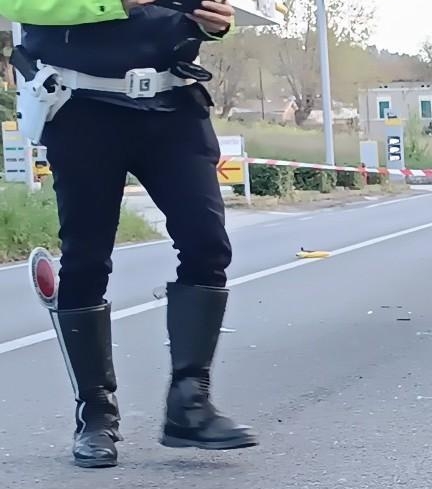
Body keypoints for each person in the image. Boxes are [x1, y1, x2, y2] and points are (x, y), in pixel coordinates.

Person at [0, 0, 257, 468]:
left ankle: (189, 403)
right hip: (81, 106)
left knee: (207, 242)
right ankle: (95, 414)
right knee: (86, 256)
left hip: (175, 102)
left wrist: (217, 24)